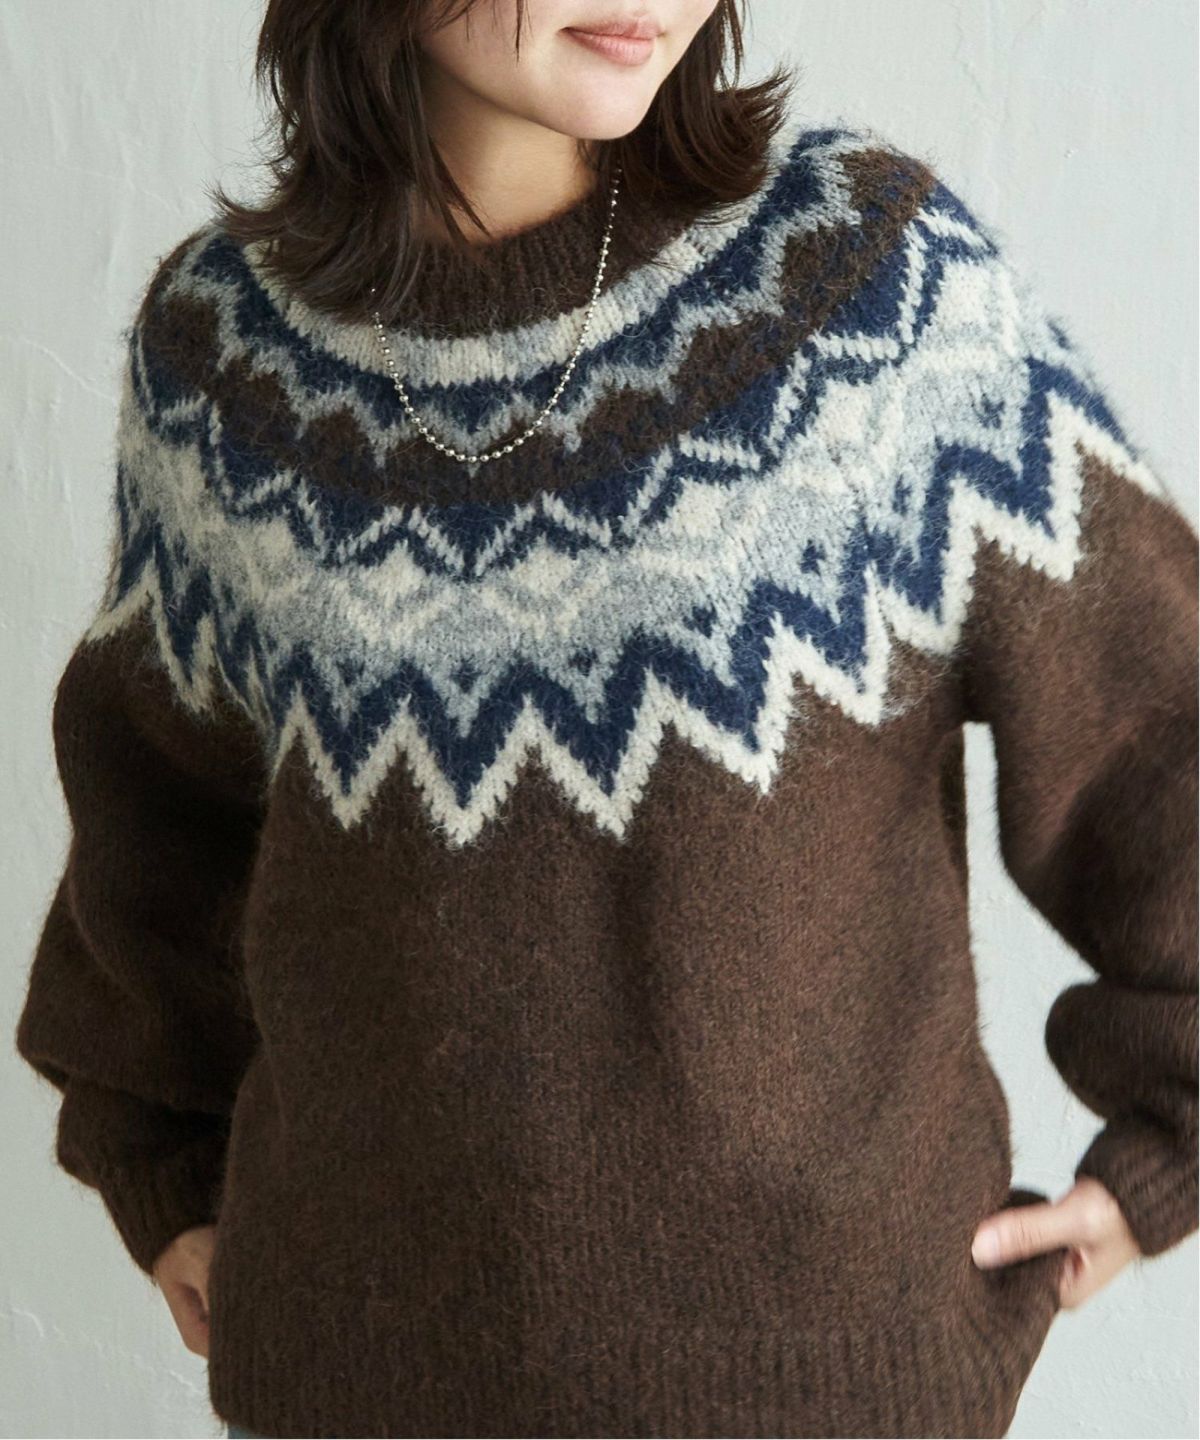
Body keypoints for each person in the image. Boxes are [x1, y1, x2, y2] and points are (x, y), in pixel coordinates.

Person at [14, 0, 1198, 1437]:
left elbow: (1157, 732)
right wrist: (158, 1168)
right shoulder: (224, 360)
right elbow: (153, 821)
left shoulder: (863, 285)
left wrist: (1173, 1143)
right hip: (365, 1380)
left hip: (829, 1386)